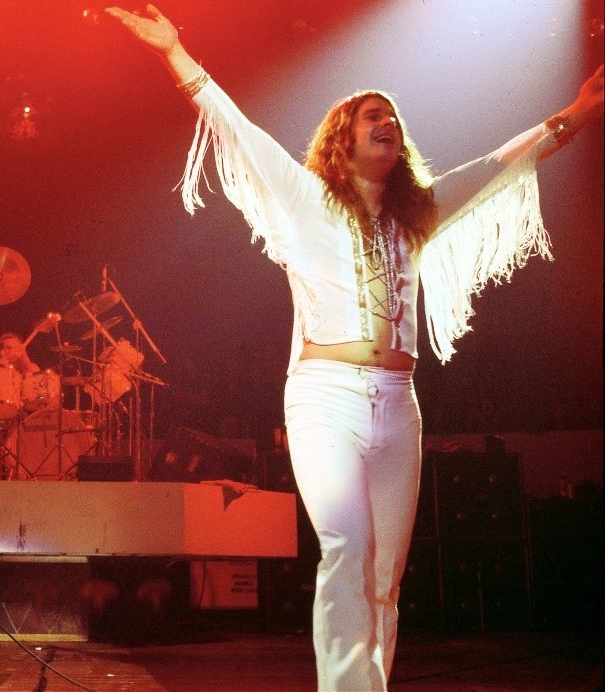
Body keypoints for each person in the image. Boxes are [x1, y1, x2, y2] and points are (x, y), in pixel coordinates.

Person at [105, 5, 603, 690]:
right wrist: (173, 51)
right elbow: (235, 129)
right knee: (345, 547)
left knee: (383, 576)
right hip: (323, 399)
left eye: (393, 118)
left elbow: (498, 165)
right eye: (374, 115)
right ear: (344, 137)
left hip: (400, 407)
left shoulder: (418, 211)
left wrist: (575, 113)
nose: (388, 124)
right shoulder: (304, 197)